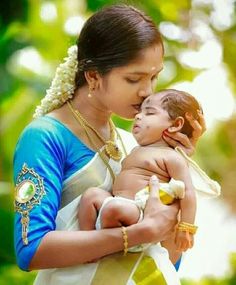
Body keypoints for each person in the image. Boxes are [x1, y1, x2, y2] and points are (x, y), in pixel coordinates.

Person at [13, 4, 206, 285]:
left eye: (153, 77)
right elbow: (31, 250)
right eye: (133, 78)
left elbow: (164, 258)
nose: (147, 92)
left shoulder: (133, 144)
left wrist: (177, 164)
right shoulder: (45, 137)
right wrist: (138, 234)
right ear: (93, 76)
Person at [77, 89, 215, 266]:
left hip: (141, 212)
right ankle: (87, 244)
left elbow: (188, 193)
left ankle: (99, 245)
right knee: (91, 195)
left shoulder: (171, 157)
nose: (138, 116)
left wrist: (186, 228)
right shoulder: (135, 149)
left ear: (175, 125)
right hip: (118, 203)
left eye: (149, 112)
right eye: (139, 111)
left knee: (114, 209)